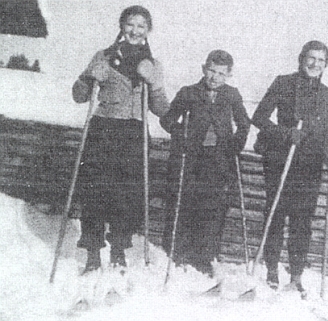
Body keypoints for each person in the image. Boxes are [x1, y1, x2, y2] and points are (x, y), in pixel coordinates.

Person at [72, 5, 169, 274]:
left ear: (148, 30)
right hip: (103, 129)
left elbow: (162, 109)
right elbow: (79, 95)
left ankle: (118, 251)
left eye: (141, 26)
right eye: (130, 24)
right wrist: (89, 77)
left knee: (127, 195)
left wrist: (155, 83)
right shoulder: (103, 56)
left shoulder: (153, 63)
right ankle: (92, 254)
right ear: (122, 26)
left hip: (134, 133)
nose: (135, 30)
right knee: (95, 191)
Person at [252, 41, 328, 292]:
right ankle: (272, 270)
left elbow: (326, 129)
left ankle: (296, 276)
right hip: (280, 160)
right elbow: (258, 118)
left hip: (309, 166)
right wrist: (286, 133)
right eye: (311, 58)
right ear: (301, 59)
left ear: (325, 65)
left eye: (321, 60)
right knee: (276, 215)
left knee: (302, 222)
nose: (315, 64)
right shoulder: (283, 83)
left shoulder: (325, 93)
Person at [160, 50, 250, 276]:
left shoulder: (232, 95)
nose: (214, 77)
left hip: (218, 160)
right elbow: (168, 119)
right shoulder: (189, 92)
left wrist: (235, 144)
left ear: (228, 75)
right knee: (185, 205)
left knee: (212, 209)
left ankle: (205, 257)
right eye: (211, 70)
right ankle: (178, 255)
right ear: (203, 69)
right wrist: (180, 132)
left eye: (221, 73)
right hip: (190, 159)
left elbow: (244, 124)